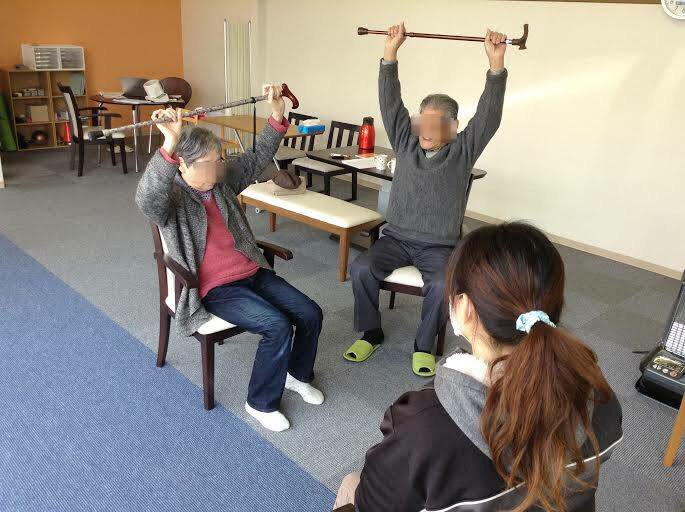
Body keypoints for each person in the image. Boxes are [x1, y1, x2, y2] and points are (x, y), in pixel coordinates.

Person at [335, 222, 623, 512]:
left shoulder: (422, 426)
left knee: (351, 482)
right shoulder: (599, 395)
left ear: (465, 308)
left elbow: (372, 504)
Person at [135, 85, 324, 433]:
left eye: (220, 160)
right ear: (184, 165)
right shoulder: (173, 198)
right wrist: (169, 142)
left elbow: (256, 157)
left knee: (310, 312)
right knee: (277, 325)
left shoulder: (220, 181)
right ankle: (260, 402)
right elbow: (147, 199)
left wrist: (278, 114)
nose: (219, 167)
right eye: (210, 163)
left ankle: (296, 375)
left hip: (253, 272)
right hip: (216, 288)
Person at [347, 23, 509, 377]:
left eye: (437, 125)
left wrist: (496, 65)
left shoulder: (463, 151)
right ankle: (371, 333)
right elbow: (390, 103)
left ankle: (423, 346)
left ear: (453, 128)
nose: (427, 130)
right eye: (424, 122)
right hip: (396, 239)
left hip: (439, 247)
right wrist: (390, 53)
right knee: (361, 268)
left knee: (441, 285)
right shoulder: (405, 141)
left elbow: (489, 116)